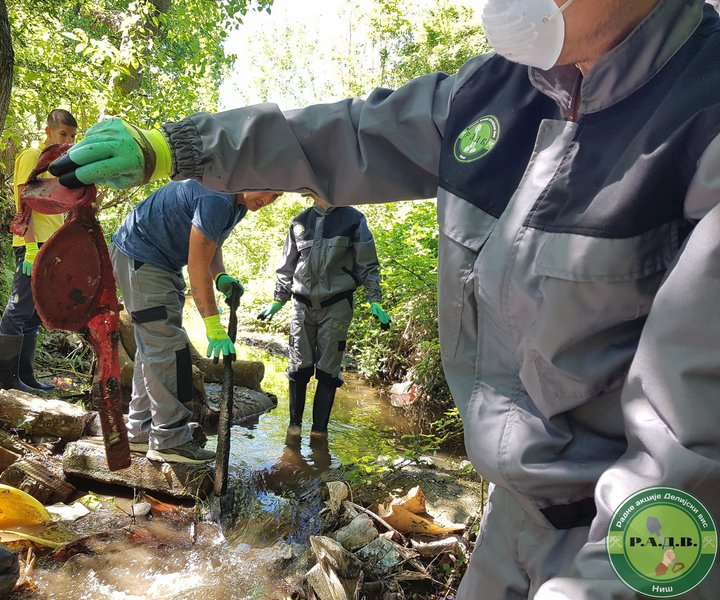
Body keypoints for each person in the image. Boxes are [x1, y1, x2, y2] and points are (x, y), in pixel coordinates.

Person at [49, 0, 720, 596]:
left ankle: (308, 444)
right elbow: (344, 133)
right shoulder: (494, 95)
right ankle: (278, 444)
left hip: (626, 538)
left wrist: (366, 300)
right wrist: (181, 146)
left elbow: (691, 454)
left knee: (326, 379)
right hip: (510, 520)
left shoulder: (702, 118)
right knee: (296, 372)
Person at [110, 179, 281, 464]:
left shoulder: (236, 203)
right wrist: (212, 325)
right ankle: (169, 439)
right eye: (269, 189)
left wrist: (221, 276)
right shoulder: (217, 198)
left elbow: (208, 247)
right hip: (142, 257)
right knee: (168, 348)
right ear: (250, 175)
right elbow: (197, 264)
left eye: (278, 195)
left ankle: (140, 431)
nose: (270, 199)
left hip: (155, 261)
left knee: (154, 345)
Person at [257, 196, 390, 439]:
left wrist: (375, 299)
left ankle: (319, 433)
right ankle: (293, 429)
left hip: (337, 305)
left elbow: (368, 265)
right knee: (298, 368)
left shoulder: (353, 219)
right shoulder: (299, 222)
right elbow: (286, 267)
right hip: (301, 305)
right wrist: (278, 300)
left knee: (328, 371)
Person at [0, 109, 77, 393]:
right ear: (48, 132)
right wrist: (29, 247)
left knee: (35, 314)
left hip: (52, 245)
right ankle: (8, 380)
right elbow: (24, 204)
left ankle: (26, 377)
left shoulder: (58, 166)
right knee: (19, 309)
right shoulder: (32, 157)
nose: (67, 140)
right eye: (63, 134)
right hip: (33, 245)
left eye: (72, 136)